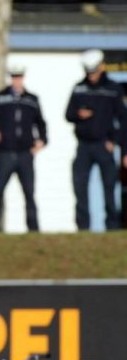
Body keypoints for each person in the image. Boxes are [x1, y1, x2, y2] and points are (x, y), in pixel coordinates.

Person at [0, 59, 48, 232]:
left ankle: (33, 229)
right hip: (5, 153)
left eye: (19, 77)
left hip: (25, 153)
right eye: (14, 77)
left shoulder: (32, 100)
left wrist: (42, 140)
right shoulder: (0, 97)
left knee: (29, 193)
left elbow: (41, 123)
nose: (17, 80)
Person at [65, 49, 127, 231]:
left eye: (94, 71)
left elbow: (124, 119)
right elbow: (68, 114)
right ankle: (83, 226)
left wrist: (116, 142)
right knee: (80, 185)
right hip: (84, 146)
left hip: (104, 145)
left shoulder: (112, 89)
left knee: (109, 187)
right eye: (88, 72)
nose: (91, 76)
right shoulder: (79, 88)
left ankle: (112, 226)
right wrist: (78, 114)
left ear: (101, 67)